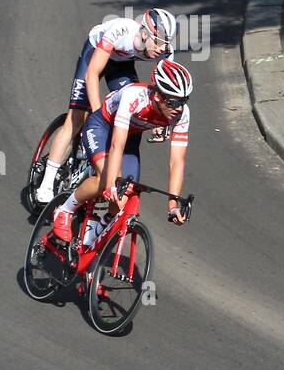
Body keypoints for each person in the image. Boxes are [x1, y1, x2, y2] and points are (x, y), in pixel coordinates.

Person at [36, 9, 177, 204]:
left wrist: (162, 122)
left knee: (128, 110)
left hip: (121, 65)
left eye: (166, 44)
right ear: (144, 33)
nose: (162, 49)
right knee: (77, 118)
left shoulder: (165, 51)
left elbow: (164, 91)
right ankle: (46, 181)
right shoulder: (121, 30)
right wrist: (96, 116)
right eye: (158, 41)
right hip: (94, 54)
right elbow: (92, 73)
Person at [51, 60, 193, 243]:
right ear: (158, 96)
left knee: (125, 197)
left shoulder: (182, 114)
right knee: (106, 181)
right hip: (102, 127)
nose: (179, 108)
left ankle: (90, 239)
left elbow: (177, 162)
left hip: (131, 137)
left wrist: (172, 205)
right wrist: (110, 183)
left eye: (184, 101)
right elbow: (116, 144)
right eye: (174, 101)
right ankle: (65, 210)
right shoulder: (134, 97)